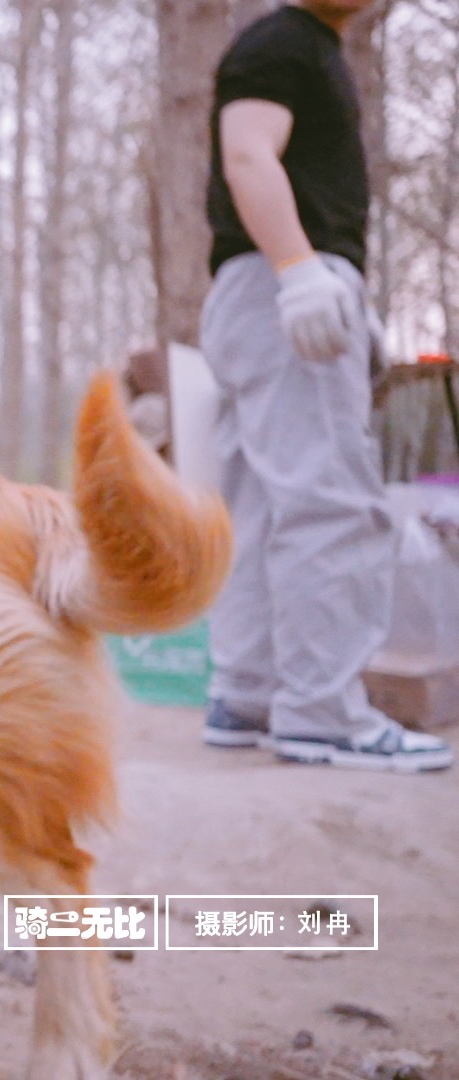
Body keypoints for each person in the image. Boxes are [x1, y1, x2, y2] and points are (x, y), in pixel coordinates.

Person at [199, 0, 451, 770]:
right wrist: (301, 272)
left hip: (257, 289)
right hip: (287, 285)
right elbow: (247, 154)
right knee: (331, 501)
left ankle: (248, 693)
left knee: (265, 504)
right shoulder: (283, 43)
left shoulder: (304, 48)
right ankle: (322, 713)